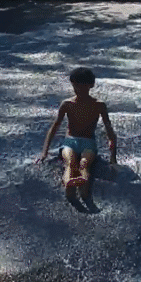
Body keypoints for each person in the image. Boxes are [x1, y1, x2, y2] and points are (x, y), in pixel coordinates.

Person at [37, 67, 118, 199]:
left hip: (89, 143)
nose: (79, 90)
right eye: (76, 87)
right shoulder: (67, 104)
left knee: (84, 164)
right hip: (70, 142)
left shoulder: (99, 105)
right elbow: (54, 128)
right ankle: (70, 186)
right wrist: (44, 152)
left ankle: (83, 189)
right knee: (70, 163)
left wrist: (113, 156)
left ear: (91, 85)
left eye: (82, 87)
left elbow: (109, 130)